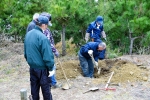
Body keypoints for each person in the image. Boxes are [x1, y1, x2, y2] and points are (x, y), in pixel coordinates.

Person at [24, 15, 54, 100]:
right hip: (42, 70)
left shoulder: (28, 35)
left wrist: (31, 62)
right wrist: (51, 68)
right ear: (43, 25)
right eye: (47, 25)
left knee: (34, 90)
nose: (47, 27)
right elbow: (48, 57)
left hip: (32, 68)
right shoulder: (43, 38)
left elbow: (26, 53)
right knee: (46, 91)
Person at [40, 12, 61, 88]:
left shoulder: (46, 30)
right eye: (47, 23)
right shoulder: (43, 31)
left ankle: (50, 83)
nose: (47, 25)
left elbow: (51, 40)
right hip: (46, 53)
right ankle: (52, 83)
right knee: (51, 67)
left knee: (50, 67)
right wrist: (55, 51)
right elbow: (48, 43)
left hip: (46, 52)